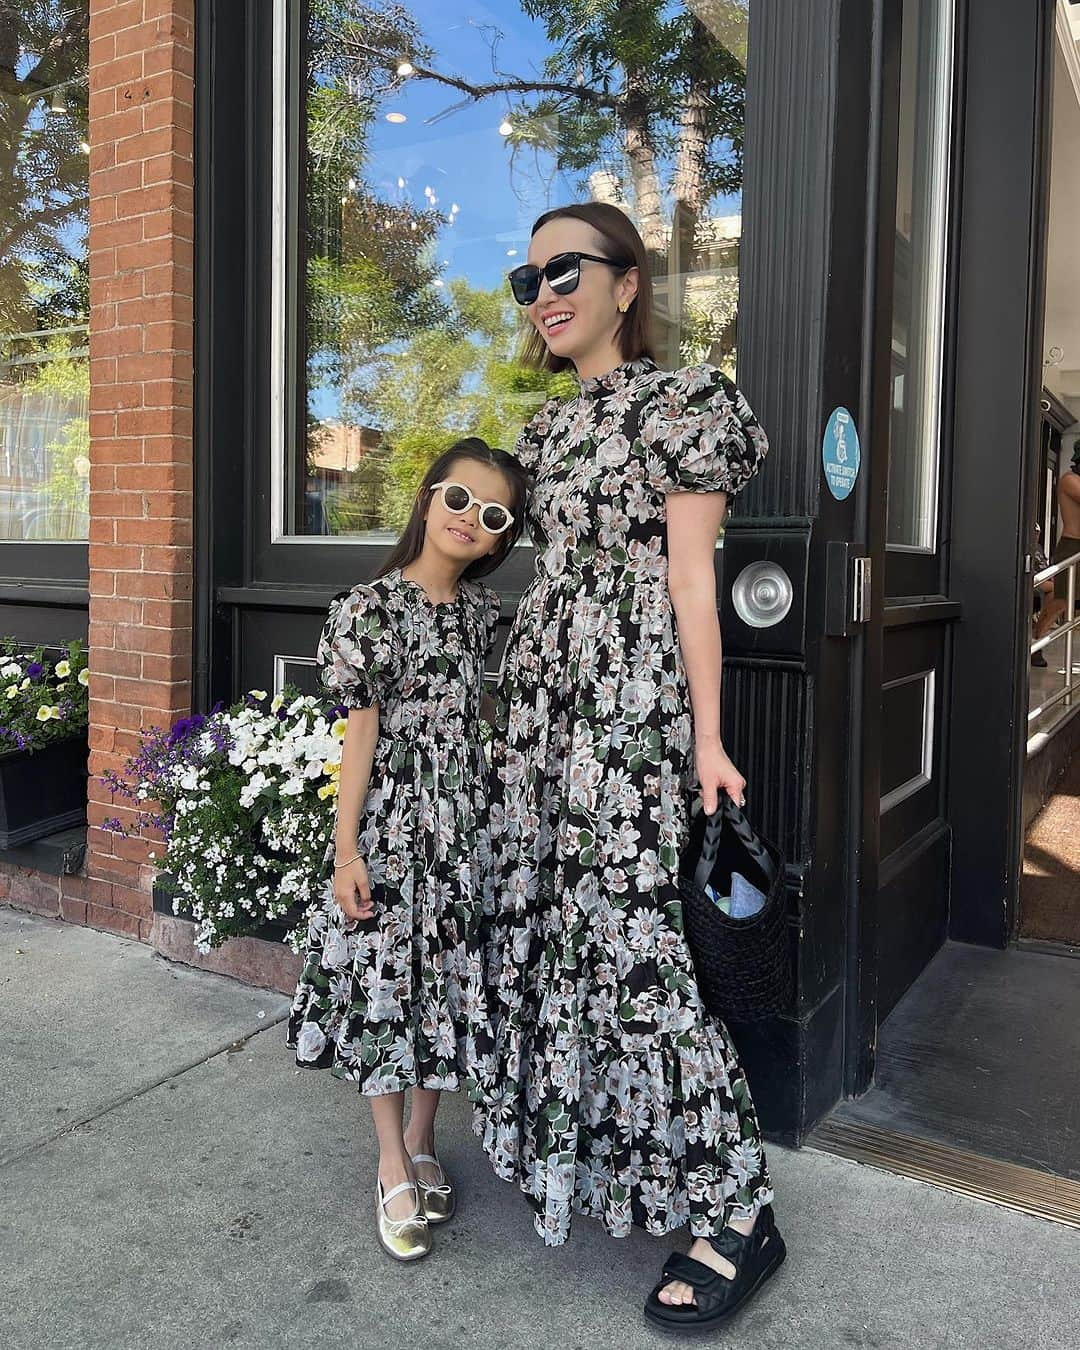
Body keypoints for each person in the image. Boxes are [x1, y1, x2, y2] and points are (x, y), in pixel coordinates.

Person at [471, 202, 782, 1333]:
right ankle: (607, 1165)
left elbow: (694, 580)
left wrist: (707, 736)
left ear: (628, 283)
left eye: (567, 269)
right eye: (528, 277)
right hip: (544, 707)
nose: (545, 293)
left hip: (627, 706)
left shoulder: (686, 403)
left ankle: (738, 1207)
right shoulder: (547, 433)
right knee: (557, 932)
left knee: (639, 949)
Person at [288, 438, 527, 1263]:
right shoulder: (367, 609)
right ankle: (392, 1160)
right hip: (392, 828)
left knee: (448, 989)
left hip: (466, 834)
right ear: (428, 500)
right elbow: (361, 735)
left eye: (493, 515)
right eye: (459, 499)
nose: (470, 520)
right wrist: (344, 848)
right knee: (387, 988)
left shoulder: (481, 617)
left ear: (501, 540)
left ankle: (426, 1138)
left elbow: (483, 722)